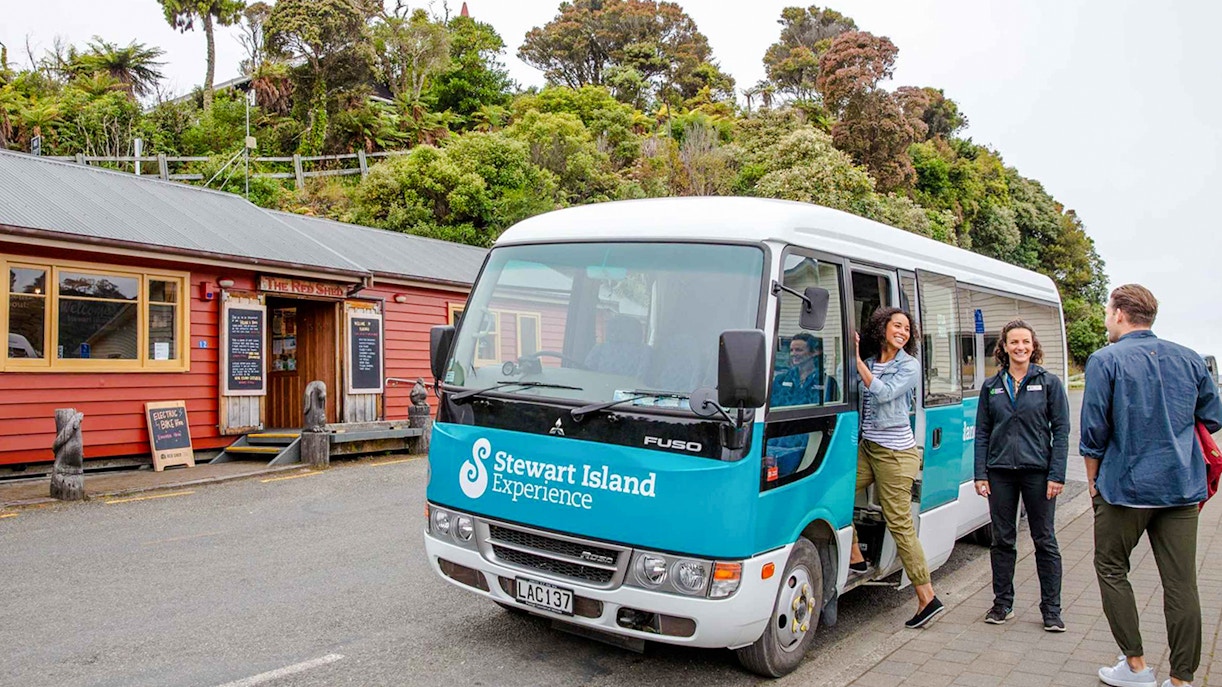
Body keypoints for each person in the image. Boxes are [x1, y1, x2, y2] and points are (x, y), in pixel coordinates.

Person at [1081, 285, 1222, 687]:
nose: (1107, 318)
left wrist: (1092, 480)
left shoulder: (1104, 360)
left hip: (1124, 487)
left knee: (1110, 567)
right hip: (1180, 486)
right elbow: (1212, 417)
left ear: (1121, 314)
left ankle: (1137, 666)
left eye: (1108, 311)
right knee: (1182, 582)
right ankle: (1182, 679)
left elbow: (1094, 430)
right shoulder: (1190, 358)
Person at [847, 307, 944, 629]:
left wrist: (857, 362)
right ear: (882, 327)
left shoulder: (909, 366)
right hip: (869, 448)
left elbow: (885, 394)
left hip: (896, 454)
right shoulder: (873, 361)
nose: (902, 331)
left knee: (899, 524)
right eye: (897, 325)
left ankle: (927, 597)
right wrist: (853, 352)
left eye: (907, 328)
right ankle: (856, 558)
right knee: (835, 495)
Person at [973, 320, 1070, 632]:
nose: (1020, 347)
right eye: (1014, 342)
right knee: (1003, 540)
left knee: (1045, 540)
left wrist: (1057, 474)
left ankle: (1052, 611)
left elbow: (1062, 431)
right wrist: (980, 473)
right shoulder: (991, 386)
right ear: (1004, 347)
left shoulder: (1049, 383)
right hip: (1000, 473)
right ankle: (1002, 604)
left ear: (1033, 345)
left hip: (1039, 474)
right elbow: (982, 433)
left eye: (1025, 342)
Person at [771, 332, 840, 407]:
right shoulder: (780, 380)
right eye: (791, 350)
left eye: (798, 350)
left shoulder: (827, 382)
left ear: (814, 352)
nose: (793, 354)